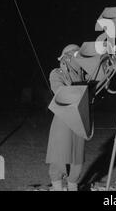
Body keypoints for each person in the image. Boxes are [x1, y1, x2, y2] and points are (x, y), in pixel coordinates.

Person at [46, 44, 85, 191]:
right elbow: (59, 90)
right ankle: (57, 187)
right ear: (67, 57)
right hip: (63, 119)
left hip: (79, 121)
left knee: (77, 157)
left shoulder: (83, 75)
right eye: (76, 55)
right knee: (59, 156)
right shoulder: (57, 73)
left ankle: (72, 186)